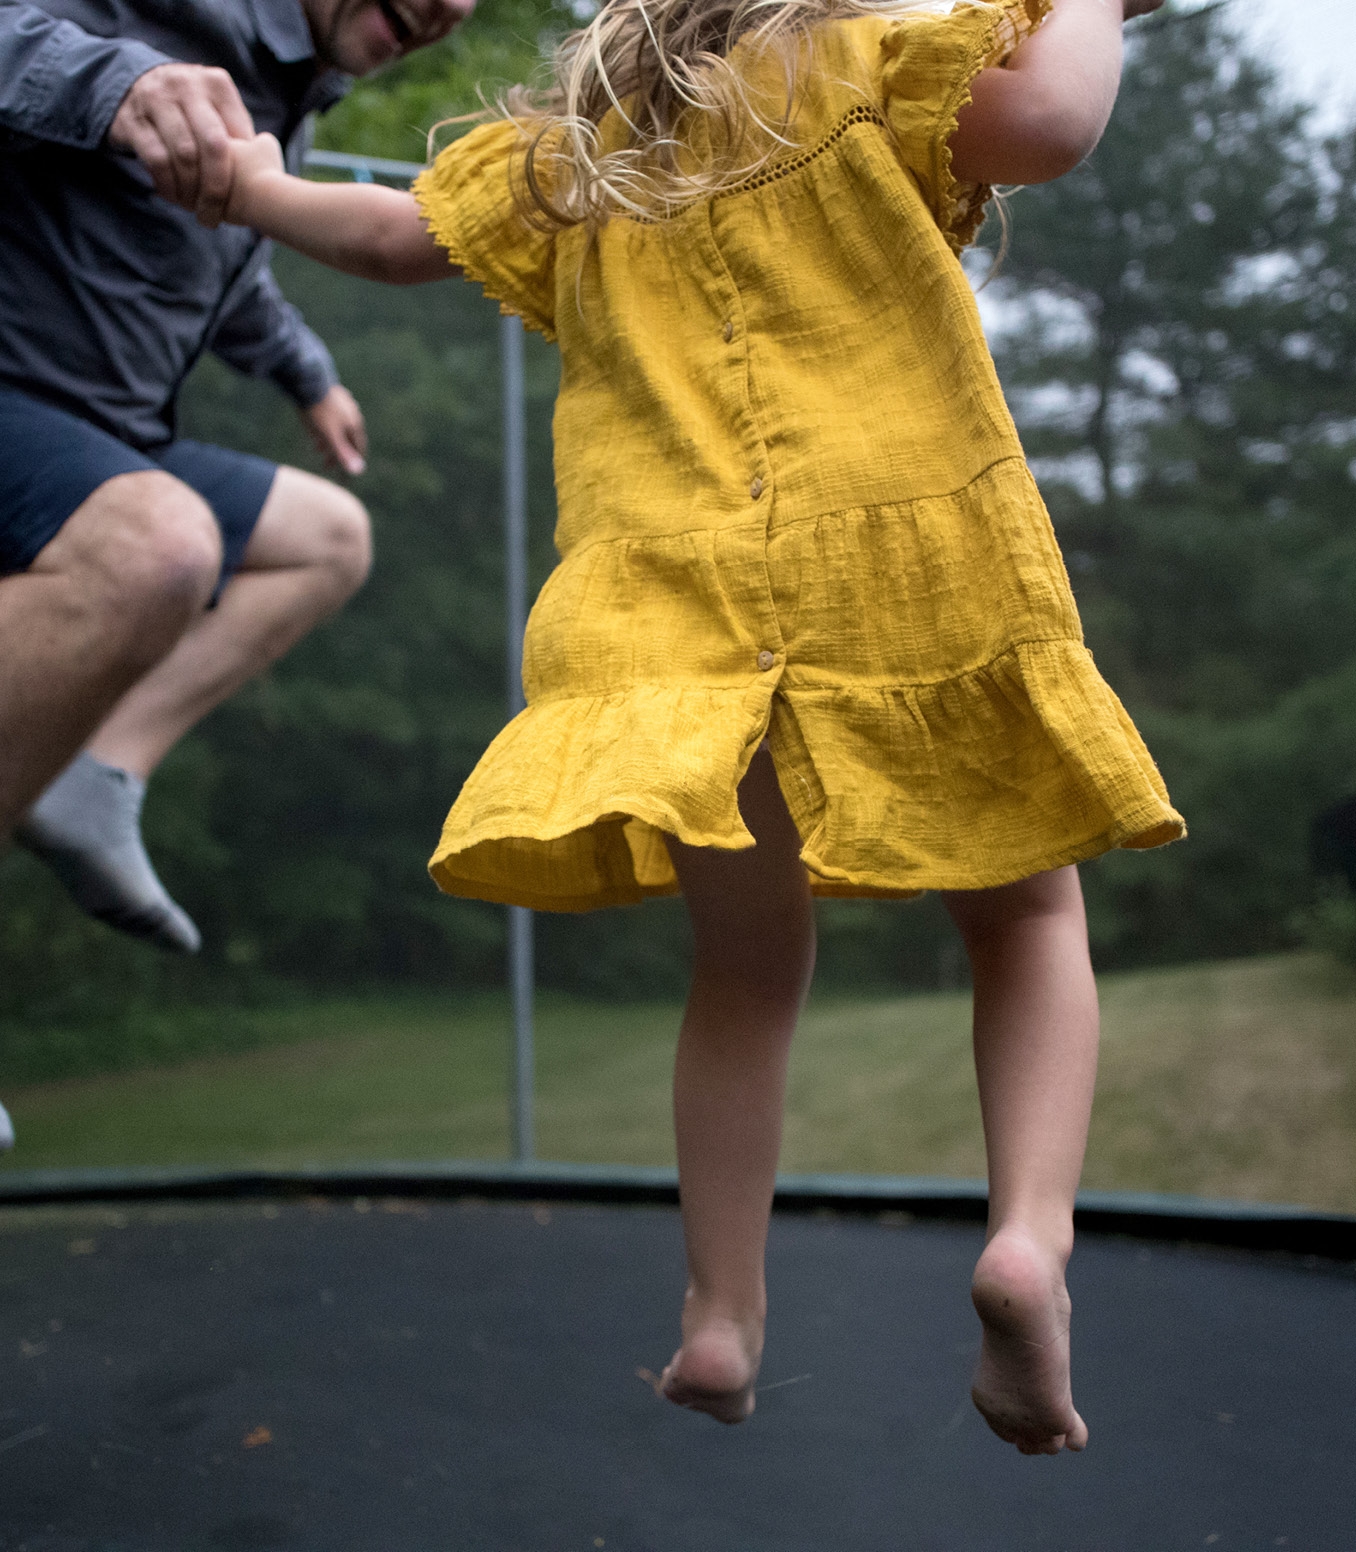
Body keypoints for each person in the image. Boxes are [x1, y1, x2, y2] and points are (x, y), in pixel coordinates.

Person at [219, 0, 1181, 1454]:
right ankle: (1027, 1241)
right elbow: (1049, 118)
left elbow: (392, 236)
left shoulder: (587, 144)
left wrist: (238, 184)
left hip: (682, 611)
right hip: (910, 557)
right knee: (1027, 917)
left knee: (742, 968)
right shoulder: (861, 65)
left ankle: (720, 1318)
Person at [0, 0, 472, 958]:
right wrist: (114, 80)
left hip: (104, 445)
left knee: (327, 540)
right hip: (16, 398)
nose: (452, 5)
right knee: (161, 546)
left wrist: (308, 375)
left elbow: (221, 269)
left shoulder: (290, 91)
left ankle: (91, 775)